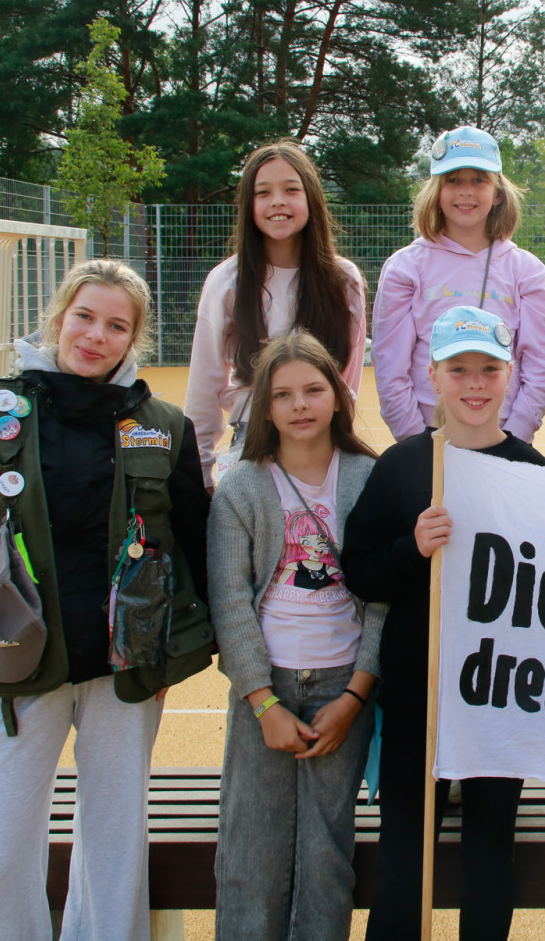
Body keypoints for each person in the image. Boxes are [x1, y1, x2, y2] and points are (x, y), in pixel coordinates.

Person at [0, 259, 214, 941]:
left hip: (123, 671)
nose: (96, 336)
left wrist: (168, 656)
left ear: (134, 339)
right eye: (85, 317)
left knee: (114, 849)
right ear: (57, 318)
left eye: (117, 326)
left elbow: (193, 546)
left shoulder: (163, 426)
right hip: (18, 665)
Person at [342, 304, 545, 941]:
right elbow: (361, 573)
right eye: (458, 368)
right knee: (406, 853)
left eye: (489, 368)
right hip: (418, 697)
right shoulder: (402, 466)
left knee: (490, 852)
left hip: (499, 698)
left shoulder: (534, 474)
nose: (474, 383)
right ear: (432, 375)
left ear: (509, 375)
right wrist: (413, 549)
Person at [207, 331, 385, 939]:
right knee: (250, 849)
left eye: (313, 389)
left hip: (343, 687)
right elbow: (230, 603)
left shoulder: (369, 477)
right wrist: (262, 701)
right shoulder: (242, 486)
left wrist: (355, 696)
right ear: (265, 406)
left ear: (338, 395)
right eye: (282, 394)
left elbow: (382, 602)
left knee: (326, 853)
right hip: (267, 691)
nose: (300, 405)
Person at [186, 140, 367, 489]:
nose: (278, 201)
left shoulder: (344, 280)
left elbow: (347, 381)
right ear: (249, 205)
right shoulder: (227, 281)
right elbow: (204, 383)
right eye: (263, 192)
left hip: (323, 445)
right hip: (252, 442)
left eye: (291, 189)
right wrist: (201, 471)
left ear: (311, 198)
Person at [369, 124, 545, 444]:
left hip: (502, 439)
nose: (466, 191)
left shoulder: (528, 271)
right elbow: (390, 369)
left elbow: (540, 368)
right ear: (436, 191)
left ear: (497, 193)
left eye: (479, 180)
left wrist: (512, 442)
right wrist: (416, 444)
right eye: (453, 180)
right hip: (428, 440)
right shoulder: (405, 267)